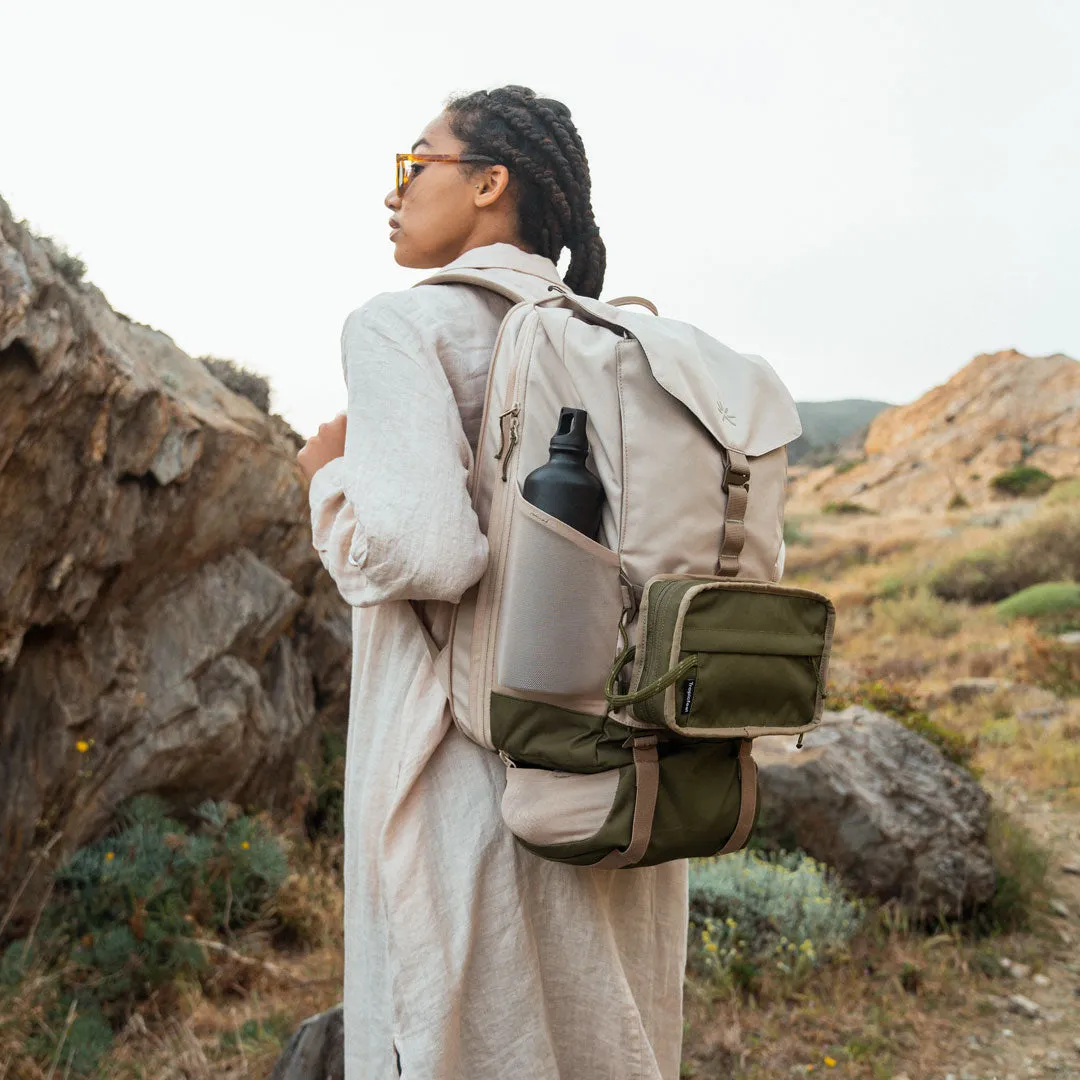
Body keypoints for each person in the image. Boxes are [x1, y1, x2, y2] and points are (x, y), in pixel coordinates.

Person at [297, 85, 688, 1080]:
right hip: (617, 770)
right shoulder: (618, 340)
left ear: (488, 183)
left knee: (458, 1036)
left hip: (469, 783)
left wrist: (329, 483)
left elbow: (428, 555)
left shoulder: (400, 327)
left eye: (411, 163)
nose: (393, 192)